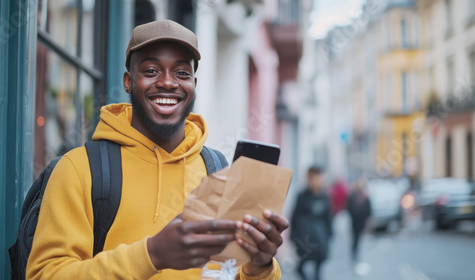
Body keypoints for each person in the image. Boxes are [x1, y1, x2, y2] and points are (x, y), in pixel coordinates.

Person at [26, 20, 288, 279]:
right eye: (151, 71)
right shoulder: (79, 169)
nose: (167, 82)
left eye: (181, 73)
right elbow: (45, 275)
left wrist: (260, 265)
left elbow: (228, 271)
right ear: (128, 81)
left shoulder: (217, 169)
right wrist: (151, 255)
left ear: (194, 84)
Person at [290, 167, 333, 280]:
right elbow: (295, 217)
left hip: (320, 237)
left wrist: (329, 236)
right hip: (305, 239)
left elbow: (328, 218)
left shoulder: (324, 197)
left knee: (318, 270)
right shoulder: (302, 196)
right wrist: (293, 238)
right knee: (300, 267)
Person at [346, 177, 371, 263]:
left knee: (359, 238)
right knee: (355, 238)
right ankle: (354, 253)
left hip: (362, 221)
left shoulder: (364, 195)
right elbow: (349, 208)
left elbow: (368, 208)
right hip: (355, 221)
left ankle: (357, 254)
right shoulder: (352, 196)